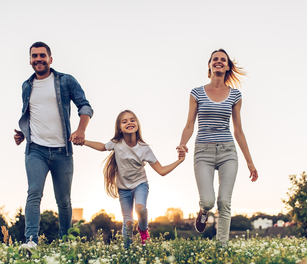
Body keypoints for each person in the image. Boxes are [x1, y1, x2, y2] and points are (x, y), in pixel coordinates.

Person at [14, 41, 93, 250]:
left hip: (62, 151)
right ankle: (31, 241)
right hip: (35, 150)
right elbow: (34, 114)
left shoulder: (65, 81)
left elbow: (85, 105)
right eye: (34, 56)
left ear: (50, 58)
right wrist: (23, 134)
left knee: (64, 201)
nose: (38, 59)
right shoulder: (26, 86)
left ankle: (65, 242)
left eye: (42, 55)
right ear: (30, 60)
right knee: (34, 192)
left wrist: (81, 130)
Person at [177, 48, 258, 245]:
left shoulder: (235, 95)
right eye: (215, 59)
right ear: (209, 65)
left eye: (223, 59)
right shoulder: (196, 93)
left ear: (228, 66)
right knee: (208, 201)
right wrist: (182, 144)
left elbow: (238, 131)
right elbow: (190, 124)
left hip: (228, 151)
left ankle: (222, 248)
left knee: (224, 202)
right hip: (202, 152)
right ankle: (203, 212)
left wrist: (250, 162)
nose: (219, 61)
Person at [83, 110, 184, 247]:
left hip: (140, 185)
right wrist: (84, 141)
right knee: (128, 221)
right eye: (124, 121)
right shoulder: (116, 143)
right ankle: (127, 250)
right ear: (119, 128)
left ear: (137, 124)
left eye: (132, 120)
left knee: (140, 208)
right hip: (123, 189)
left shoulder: (144, 149)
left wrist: (179, 161)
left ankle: (143, 230)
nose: (129, 123)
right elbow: (102, 147)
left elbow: (161, 171)